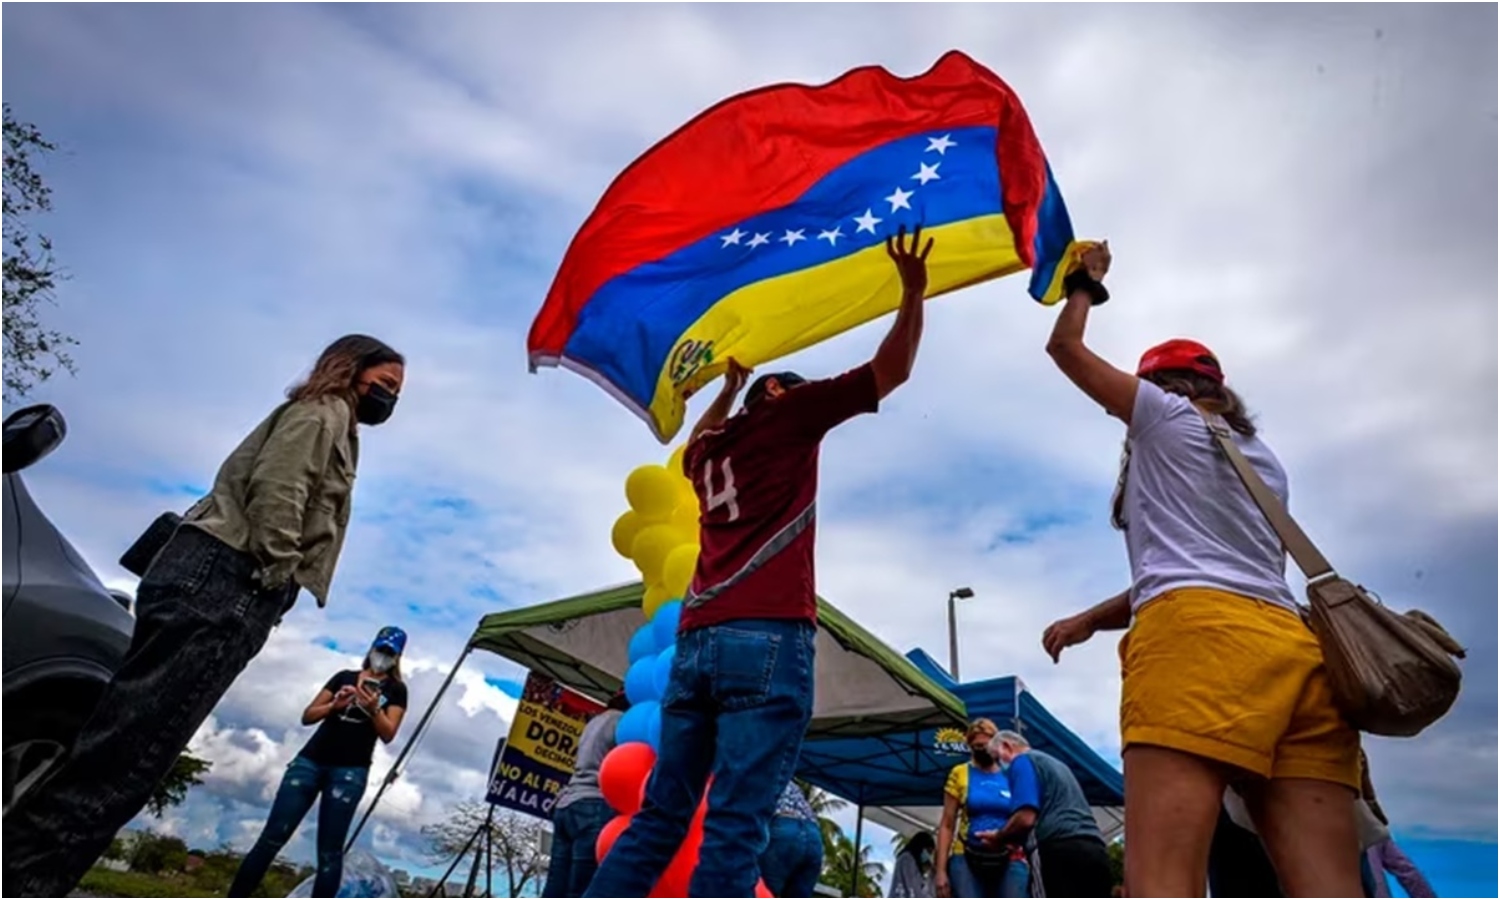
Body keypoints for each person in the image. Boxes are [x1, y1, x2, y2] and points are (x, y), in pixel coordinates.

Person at [582, 226, 934, 898]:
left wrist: (727, 388)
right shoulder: (791, 415)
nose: (805, 391)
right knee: (737, 820)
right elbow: (893, 372)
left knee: (661, 815)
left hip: (696, 639)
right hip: (767, 633)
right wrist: (912, 293)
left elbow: (697, 439)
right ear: (778, 394)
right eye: (793, 387)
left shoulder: (710, 454)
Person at [3, 335, 406, 899]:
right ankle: (26, 882)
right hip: (228, 579)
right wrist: (278, 571)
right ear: (351, 370)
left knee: (115, 742)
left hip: (206, 572)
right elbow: (278, 488)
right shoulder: (323, 413)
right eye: (383, 385)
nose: (388, 400)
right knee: (129, 757)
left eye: (396, 393)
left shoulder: (324, 417)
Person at [1042, 242, 1361, 897]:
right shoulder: (1265, 459)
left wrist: (1084, 285)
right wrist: (1087, 621)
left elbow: (1066, 351)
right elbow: (1213, 564)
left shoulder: (1163, 417)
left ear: (1160, 387)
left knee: (1163, 881)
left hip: (1197, 646)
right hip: (1297, 651)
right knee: (1330, 887)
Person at [229, 627, 410, 897]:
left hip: (350, 771)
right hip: (310, 761)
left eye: (389, 653)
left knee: (330, 852)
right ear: (371, 648)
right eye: (380, 649)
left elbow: (388, 733)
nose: (382, 657)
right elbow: (308, 715)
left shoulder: (396, 690)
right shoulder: (344, 677)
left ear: (397, 658)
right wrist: (334, 706)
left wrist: (373, 709)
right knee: (272, 837)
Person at [981, 730, 1111, 898]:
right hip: (1094, 849)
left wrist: (999, 838)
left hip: (1056, 851)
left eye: (997, 759)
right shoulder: (1057, 765)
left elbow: (1025, 818)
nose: (999, 767)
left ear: (1006, 747)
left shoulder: (1022, 761)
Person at [543, 692, 631, 898]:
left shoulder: (594, 722)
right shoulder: (622, 722)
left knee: (556, 882)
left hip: (568, 801)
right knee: (582, 885)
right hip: (594, 802)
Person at [934, 719, 1030, 898]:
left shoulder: (1010, 772)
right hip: (966, 856)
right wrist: (940, 871)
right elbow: (947, 824)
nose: (983, 750)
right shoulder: (960, 773)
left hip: (1009, 857)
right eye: (977, 746)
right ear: (969, 745)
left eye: (986, 745)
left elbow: (1025, 815)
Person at [758, 782, 825, 898]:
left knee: (766, 891)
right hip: (814, 834)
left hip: (784, 826)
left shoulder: (758, 772)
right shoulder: (790, 782)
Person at [891, 832, 938, 899]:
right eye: (928, 851)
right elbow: (913, 888)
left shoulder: (909, 861)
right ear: (921, 846)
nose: (928, 856)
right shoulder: (907, 860)